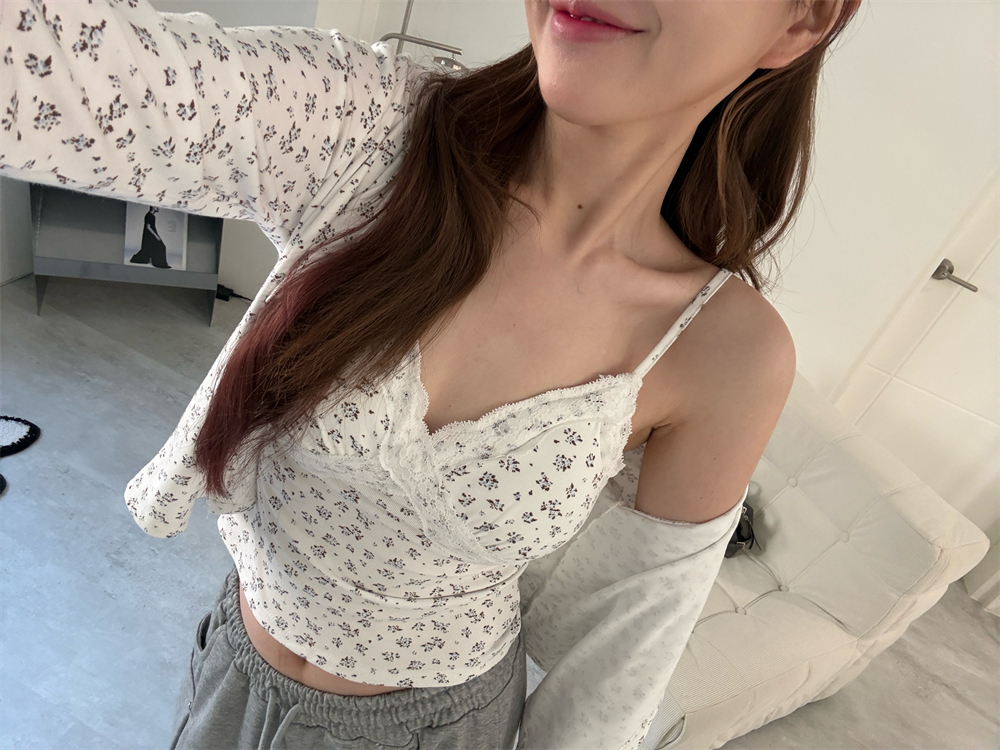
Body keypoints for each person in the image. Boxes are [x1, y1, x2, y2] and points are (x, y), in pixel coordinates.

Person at [0, 0, 862, 748]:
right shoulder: (371, 129)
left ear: (804, 18)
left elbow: (614, 668)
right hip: (235, 670)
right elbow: (67, 73)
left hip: (440, 730)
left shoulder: (726, 351)